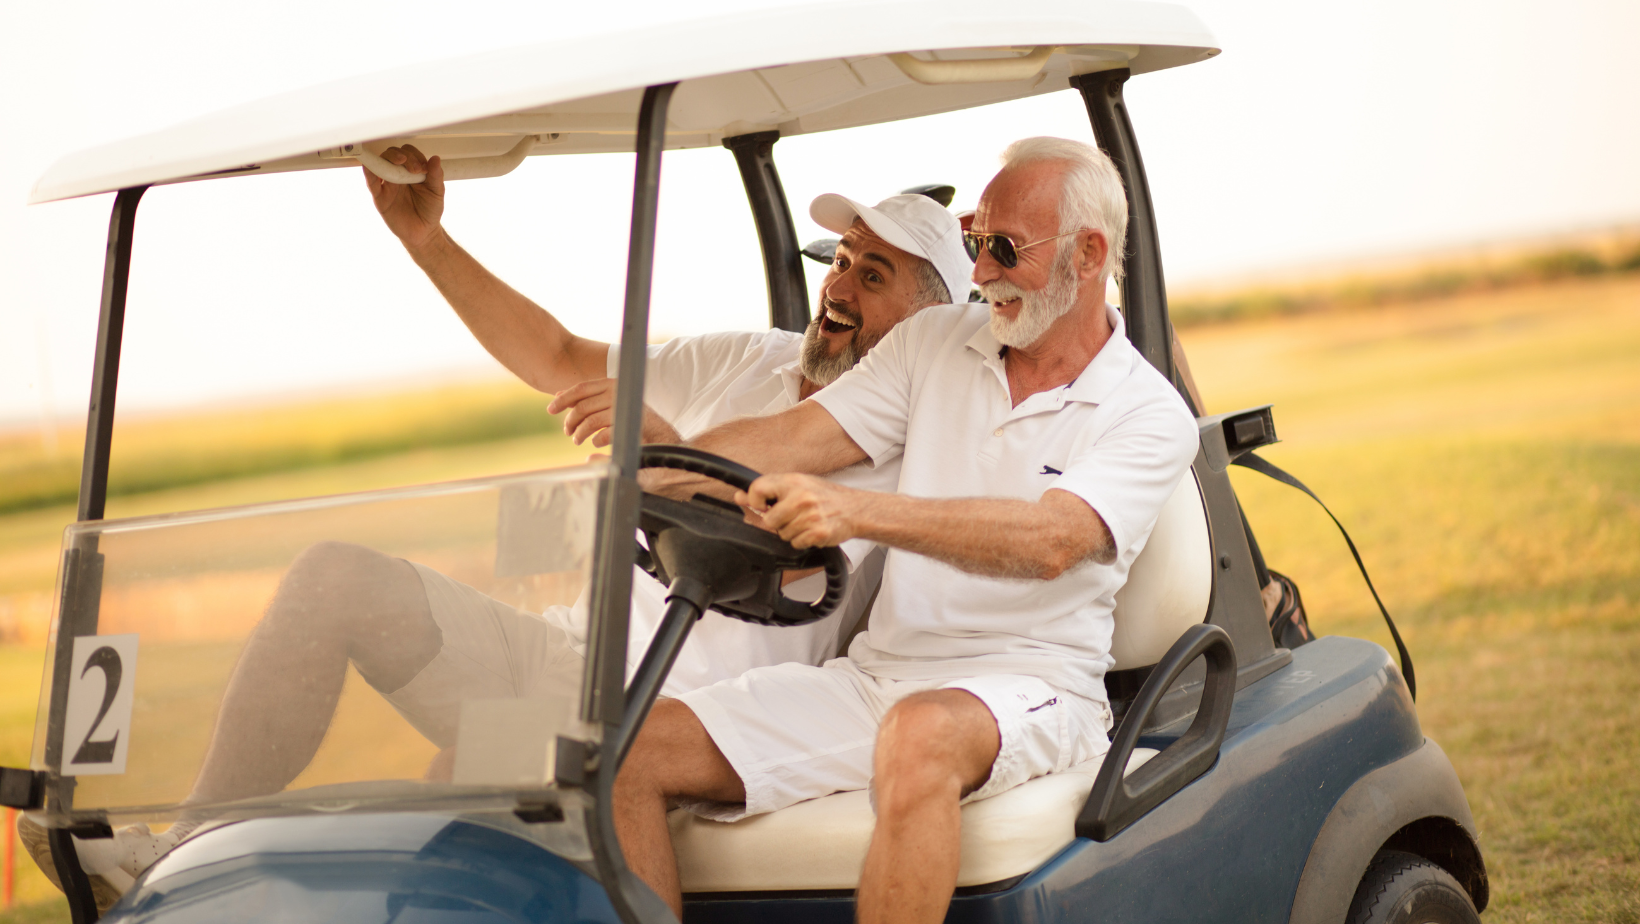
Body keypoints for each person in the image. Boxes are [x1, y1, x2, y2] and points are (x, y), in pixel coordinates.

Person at [21, 146, 972, 909]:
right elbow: (559, 355)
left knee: (455, 794)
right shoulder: (749, 360)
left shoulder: (917, 445)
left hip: (691, 718)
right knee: (334, 576)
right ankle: (177, 845)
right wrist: (426, 240)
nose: (839, 283)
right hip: (565, 660)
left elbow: (800, 566)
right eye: (842, 259)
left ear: (931, 319)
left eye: (874, 272)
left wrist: (671, 450)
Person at [612, 137, 1200, 924]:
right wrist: (646, 472)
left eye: (1001, 249)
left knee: (918, 734)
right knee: (627, 749)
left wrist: (858, 512)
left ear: (1088, 255)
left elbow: (1050, 541)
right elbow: (793, 439)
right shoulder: (935, 344)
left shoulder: (1147, 411)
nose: (981, 272)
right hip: (876, 679)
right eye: (972, 244)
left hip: (1034, 687)